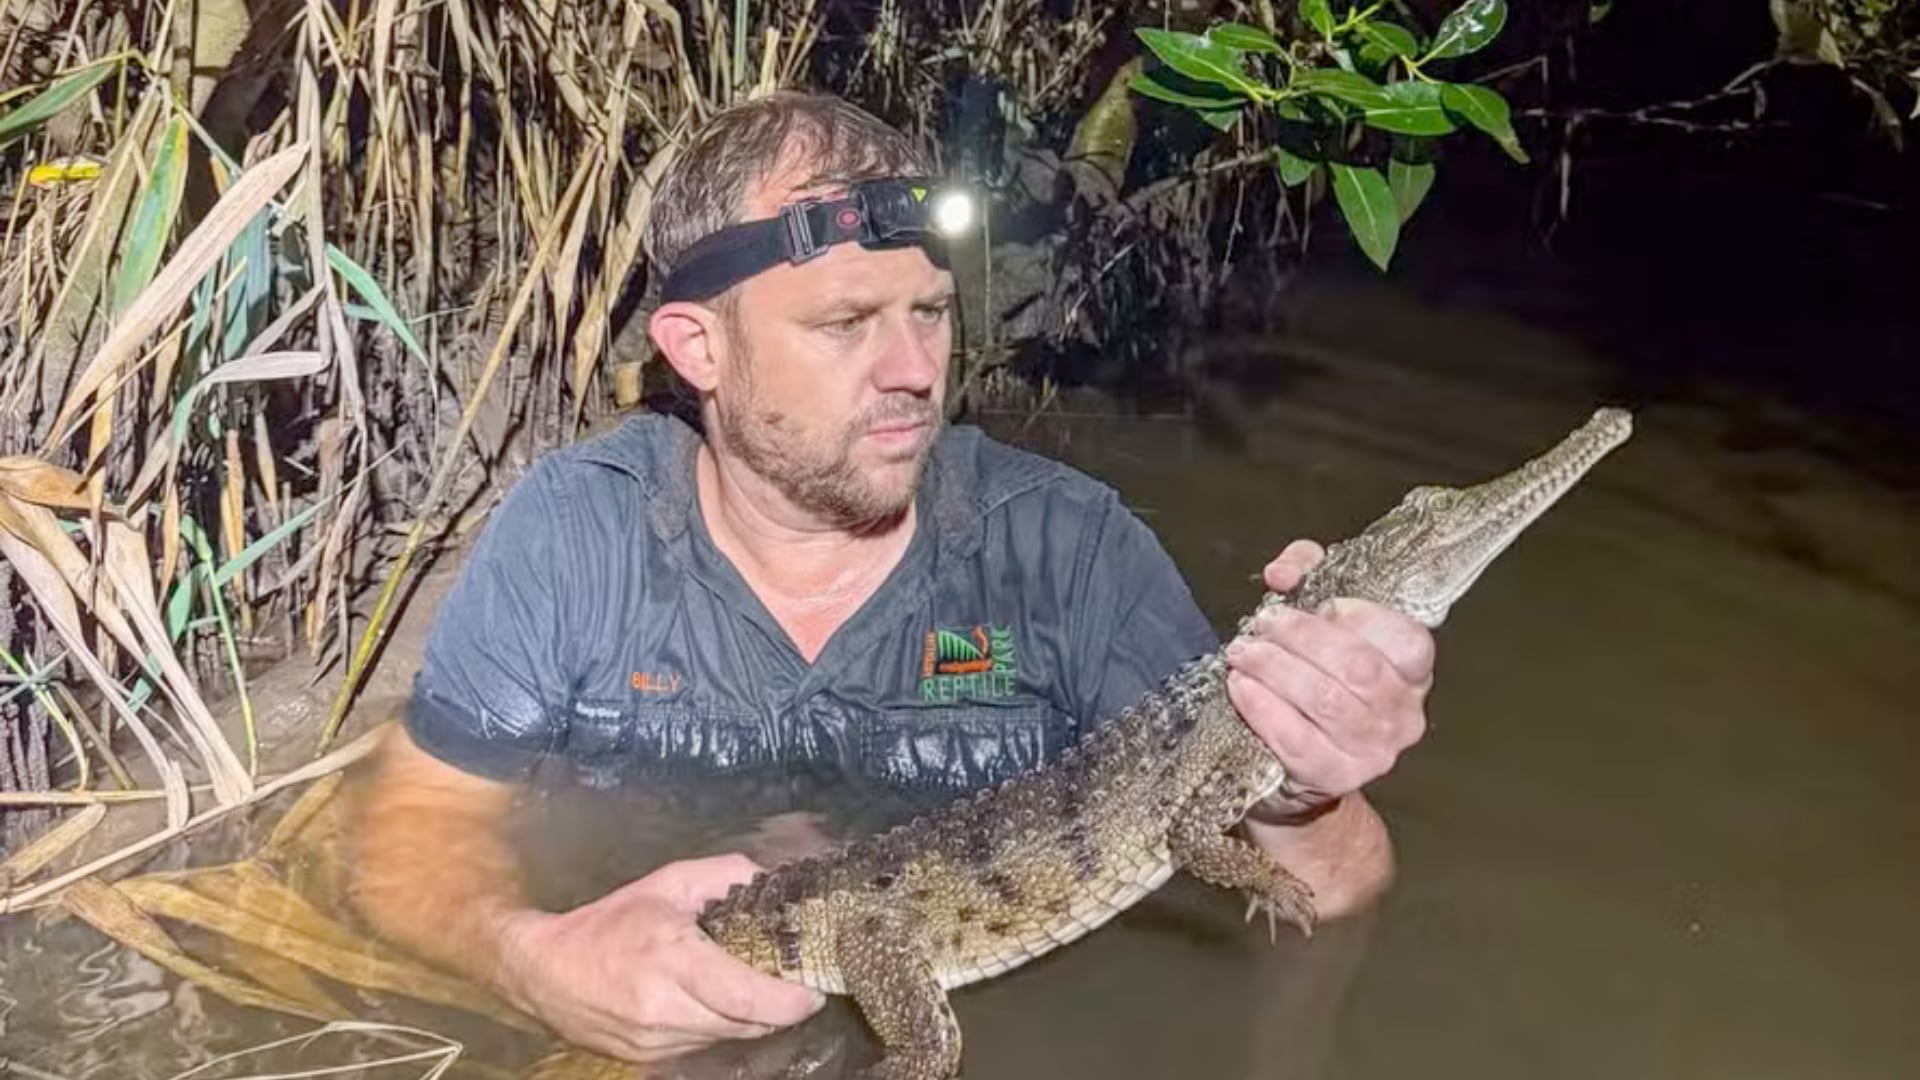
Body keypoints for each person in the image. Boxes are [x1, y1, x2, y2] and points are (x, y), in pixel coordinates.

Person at [344, 91, 1433, 1067]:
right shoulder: (578, 529)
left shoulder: (1068, 550)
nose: (916, 370)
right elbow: (409, 828)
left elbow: (1335, 899)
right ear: (697, 348)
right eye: (845, 323)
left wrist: (1306, 787)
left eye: (930, 312)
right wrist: (530, 960)